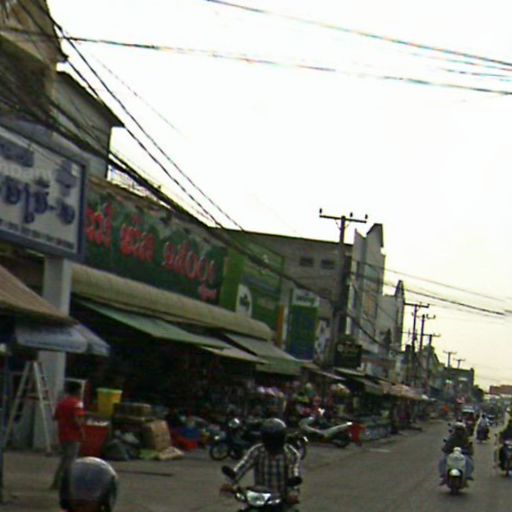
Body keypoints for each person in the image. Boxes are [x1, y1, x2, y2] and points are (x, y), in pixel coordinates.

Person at [220, 417, 302, 506]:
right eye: (269, 439)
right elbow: (242, 466)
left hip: (282, 500)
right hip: (259, 498)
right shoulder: (257, 450)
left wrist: (293, 493)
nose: (272, 444)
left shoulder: (291, 454)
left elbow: (293, 474)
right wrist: (229, 483)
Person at [51, 381, 86, 490]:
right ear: (77, 391)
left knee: (64, 459)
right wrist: (81, 431)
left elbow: (55, 417)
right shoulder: (78, 403)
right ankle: (66, 483)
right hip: (73, 435)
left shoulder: (62, 403)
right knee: (70, 460)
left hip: (63, 434)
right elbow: (77, 419)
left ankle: (57, 481)